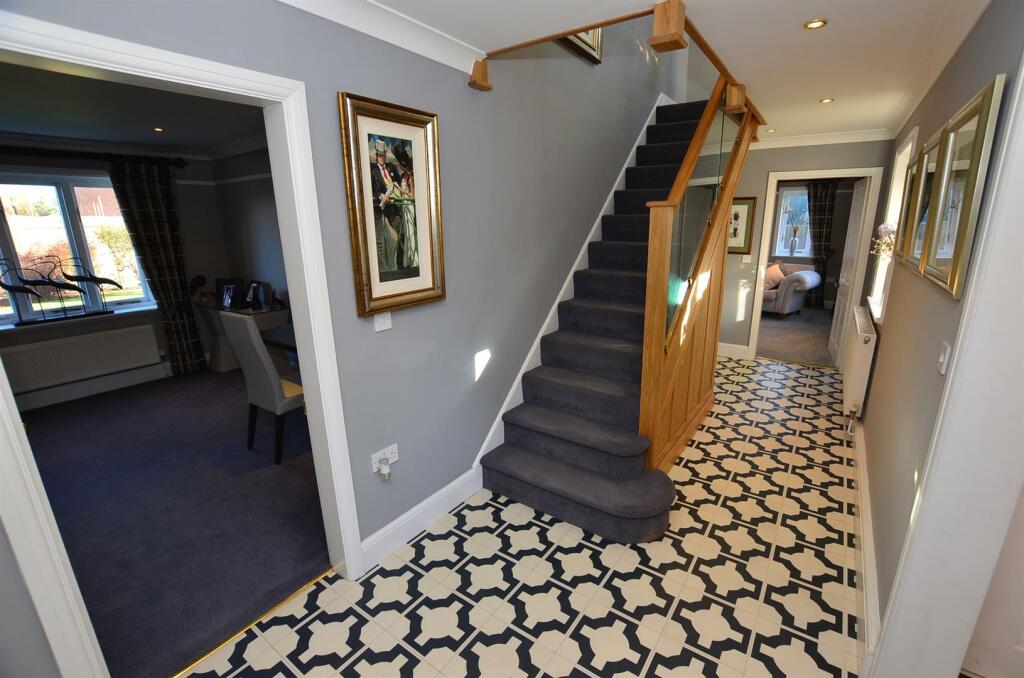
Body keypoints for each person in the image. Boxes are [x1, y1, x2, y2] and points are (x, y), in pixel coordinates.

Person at [369, 138, 403, 272]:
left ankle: (393, 266)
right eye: (380, 156)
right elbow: (373, 189)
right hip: (382, 210)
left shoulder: (391, 167)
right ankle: (387, 268)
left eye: (383, 155)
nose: (382, 158)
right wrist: (380, 196)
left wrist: (397, 188)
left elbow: (398, 181)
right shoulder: (373, 172)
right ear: (376, 157)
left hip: (395, 208)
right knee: (386, 239)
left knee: (396, 237)